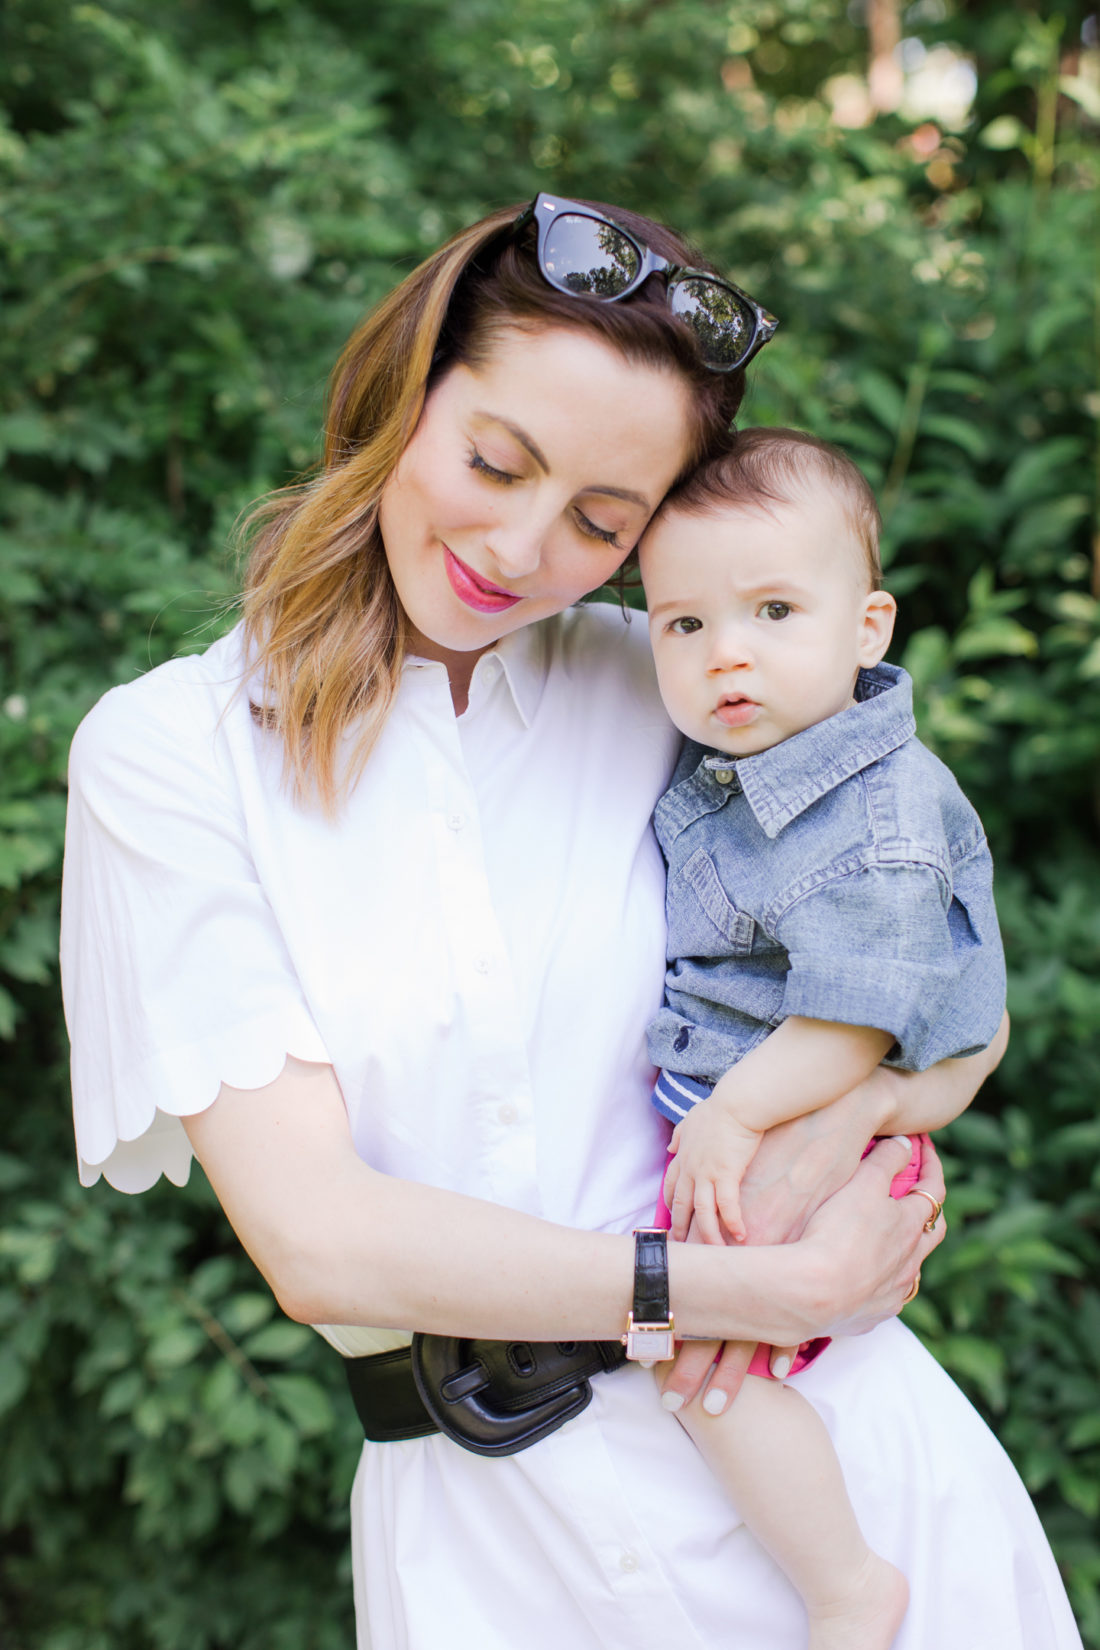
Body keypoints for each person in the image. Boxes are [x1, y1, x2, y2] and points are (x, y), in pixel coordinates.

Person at [60, 193, 1081, 1650]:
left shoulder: (676, 684)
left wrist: (897, 1124)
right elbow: (320, 1240)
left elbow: (926, 952)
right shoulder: (171, 755)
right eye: (494, 461)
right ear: (403, 393)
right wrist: (739, 1278)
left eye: (603, 522)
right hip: (494, 1550)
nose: (525, 545)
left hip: (844, 1482)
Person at [635, 427, 1008, 1650]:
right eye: (681, 625)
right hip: (770, 1126)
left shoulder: (876, 810)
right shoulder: (738, 766)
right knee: (681, 1350)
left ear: (868, 627)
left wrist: (736, 1115)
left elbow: (854, 1019)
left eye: (773, 609)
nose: (723, 651)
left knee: (699, 1370)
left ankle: (847, 1585)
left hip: (802, 1136)